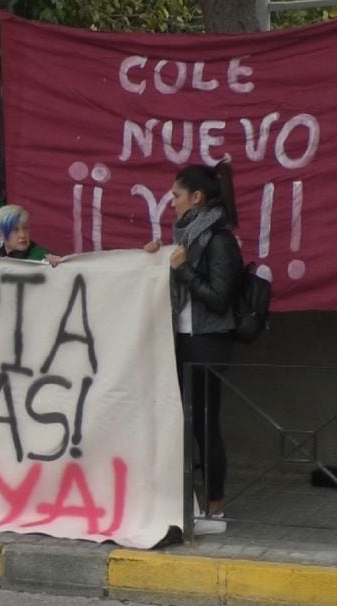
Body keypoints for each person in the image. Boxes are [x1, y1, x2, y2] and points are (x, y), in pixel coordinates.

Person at [148, 161, 242, 533]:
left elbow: (219, 299)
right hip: (182, 340)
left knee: (204, 424)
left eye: (177, 195)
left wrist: (183, 270)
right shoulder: (187, 237)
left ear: (197, 197)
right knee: (180, 425)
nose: (172, 202)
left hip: (207, 344)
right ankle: (186, 502)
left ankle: (215, 507)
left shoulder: (219, 240)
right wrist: (157, 259)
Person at [0, 204, 61, 271]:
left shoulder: (42, 257)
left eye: (25, 228)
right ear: (0, 235)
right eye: (15, 230)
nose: (23, 235)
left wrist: (58, 266)